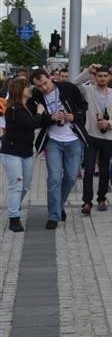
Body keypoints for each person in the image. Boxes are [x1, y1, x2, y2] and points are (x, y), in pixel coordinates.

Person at [30, 69, 89, 229]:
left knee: (70, 177)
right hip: (53, 140)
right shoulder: (36, 96)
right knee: (54, 178)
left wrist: (73, 116)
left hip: (73, 139)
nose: (43, 88)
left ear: (51, 78)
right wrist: (50, 118)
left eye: (45, 83)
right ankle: (53, 216)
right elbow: (36, 120)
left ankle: (59, 205)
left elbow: (83, 106)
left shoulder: (68, 88)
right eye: (39, 86)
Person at [75, 65, 112, 214]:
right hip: (91, 135)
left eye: (104, 76)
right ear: (95, 78)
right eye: (99, 76)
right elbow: (75, 84)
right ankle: (87, 201)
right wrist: (87, 71)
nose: (102, 79)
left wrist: (109, 123)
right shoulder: (88, 90)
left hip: (107, 136)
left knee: (104, 170)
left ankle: (101, 197)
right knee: (89, 169)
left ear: (109, 77)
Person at [1, 77, 45, 232]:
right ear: (21, 90)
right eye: (27, 87)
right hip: (11, 153)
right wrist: (39, 113)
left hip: (26, 152)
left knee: (25, 186)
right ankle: (14, 219)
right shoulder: (14, 109)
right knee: (16, 186)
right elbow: (32, 124)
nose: (30, 89)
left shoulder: (25, 106)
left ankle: (15, 207)